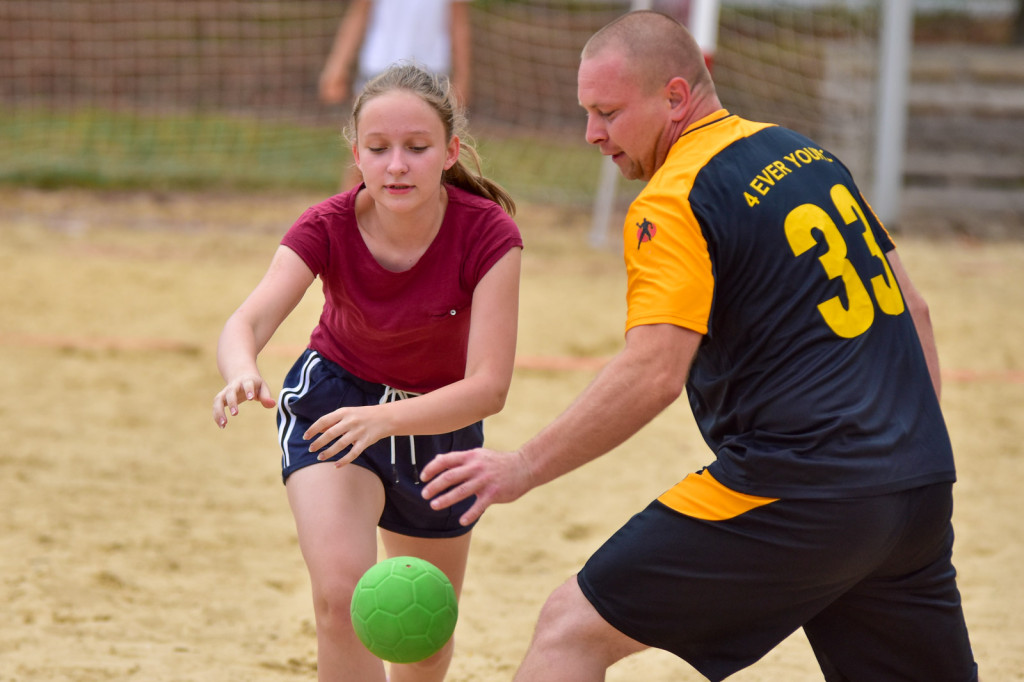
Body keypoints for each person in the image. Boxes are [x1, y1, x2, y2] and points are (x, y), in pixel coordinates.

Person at [420, 10, 978, 682]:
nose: (591, 134)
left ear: (677, 97)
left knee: (570, 629)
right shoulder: (806, 153)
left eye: (608, 113)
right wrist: (901, 451)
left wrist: (524, 467)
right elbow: (914, 308)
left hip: (797, 490)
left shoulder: (674, 197)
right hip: (915, 486)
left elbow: (655, 370)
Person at [213, 63, 522, 682]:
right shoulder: (325, 225)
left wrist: (386, 419)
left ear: (450, 151)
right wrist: (241, 370)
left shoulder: (489, 232)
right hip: (335, 406)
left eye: (417, 147)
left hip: (439, 422)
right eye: (378, 150)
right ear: (357, 153)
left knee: (423, 634)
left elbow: (488, 388)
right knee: (342, 600)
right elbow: (244, 323)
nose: (396, 165)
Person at [319, 0, 473, 190]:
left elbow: (458, 23)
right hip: (378, 71)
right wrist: (336, 67)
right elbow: (358, 14)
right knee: (366, 155)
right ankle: (346, 216)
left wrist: (462, 78)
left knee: (435, 160)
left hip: (431, 76)